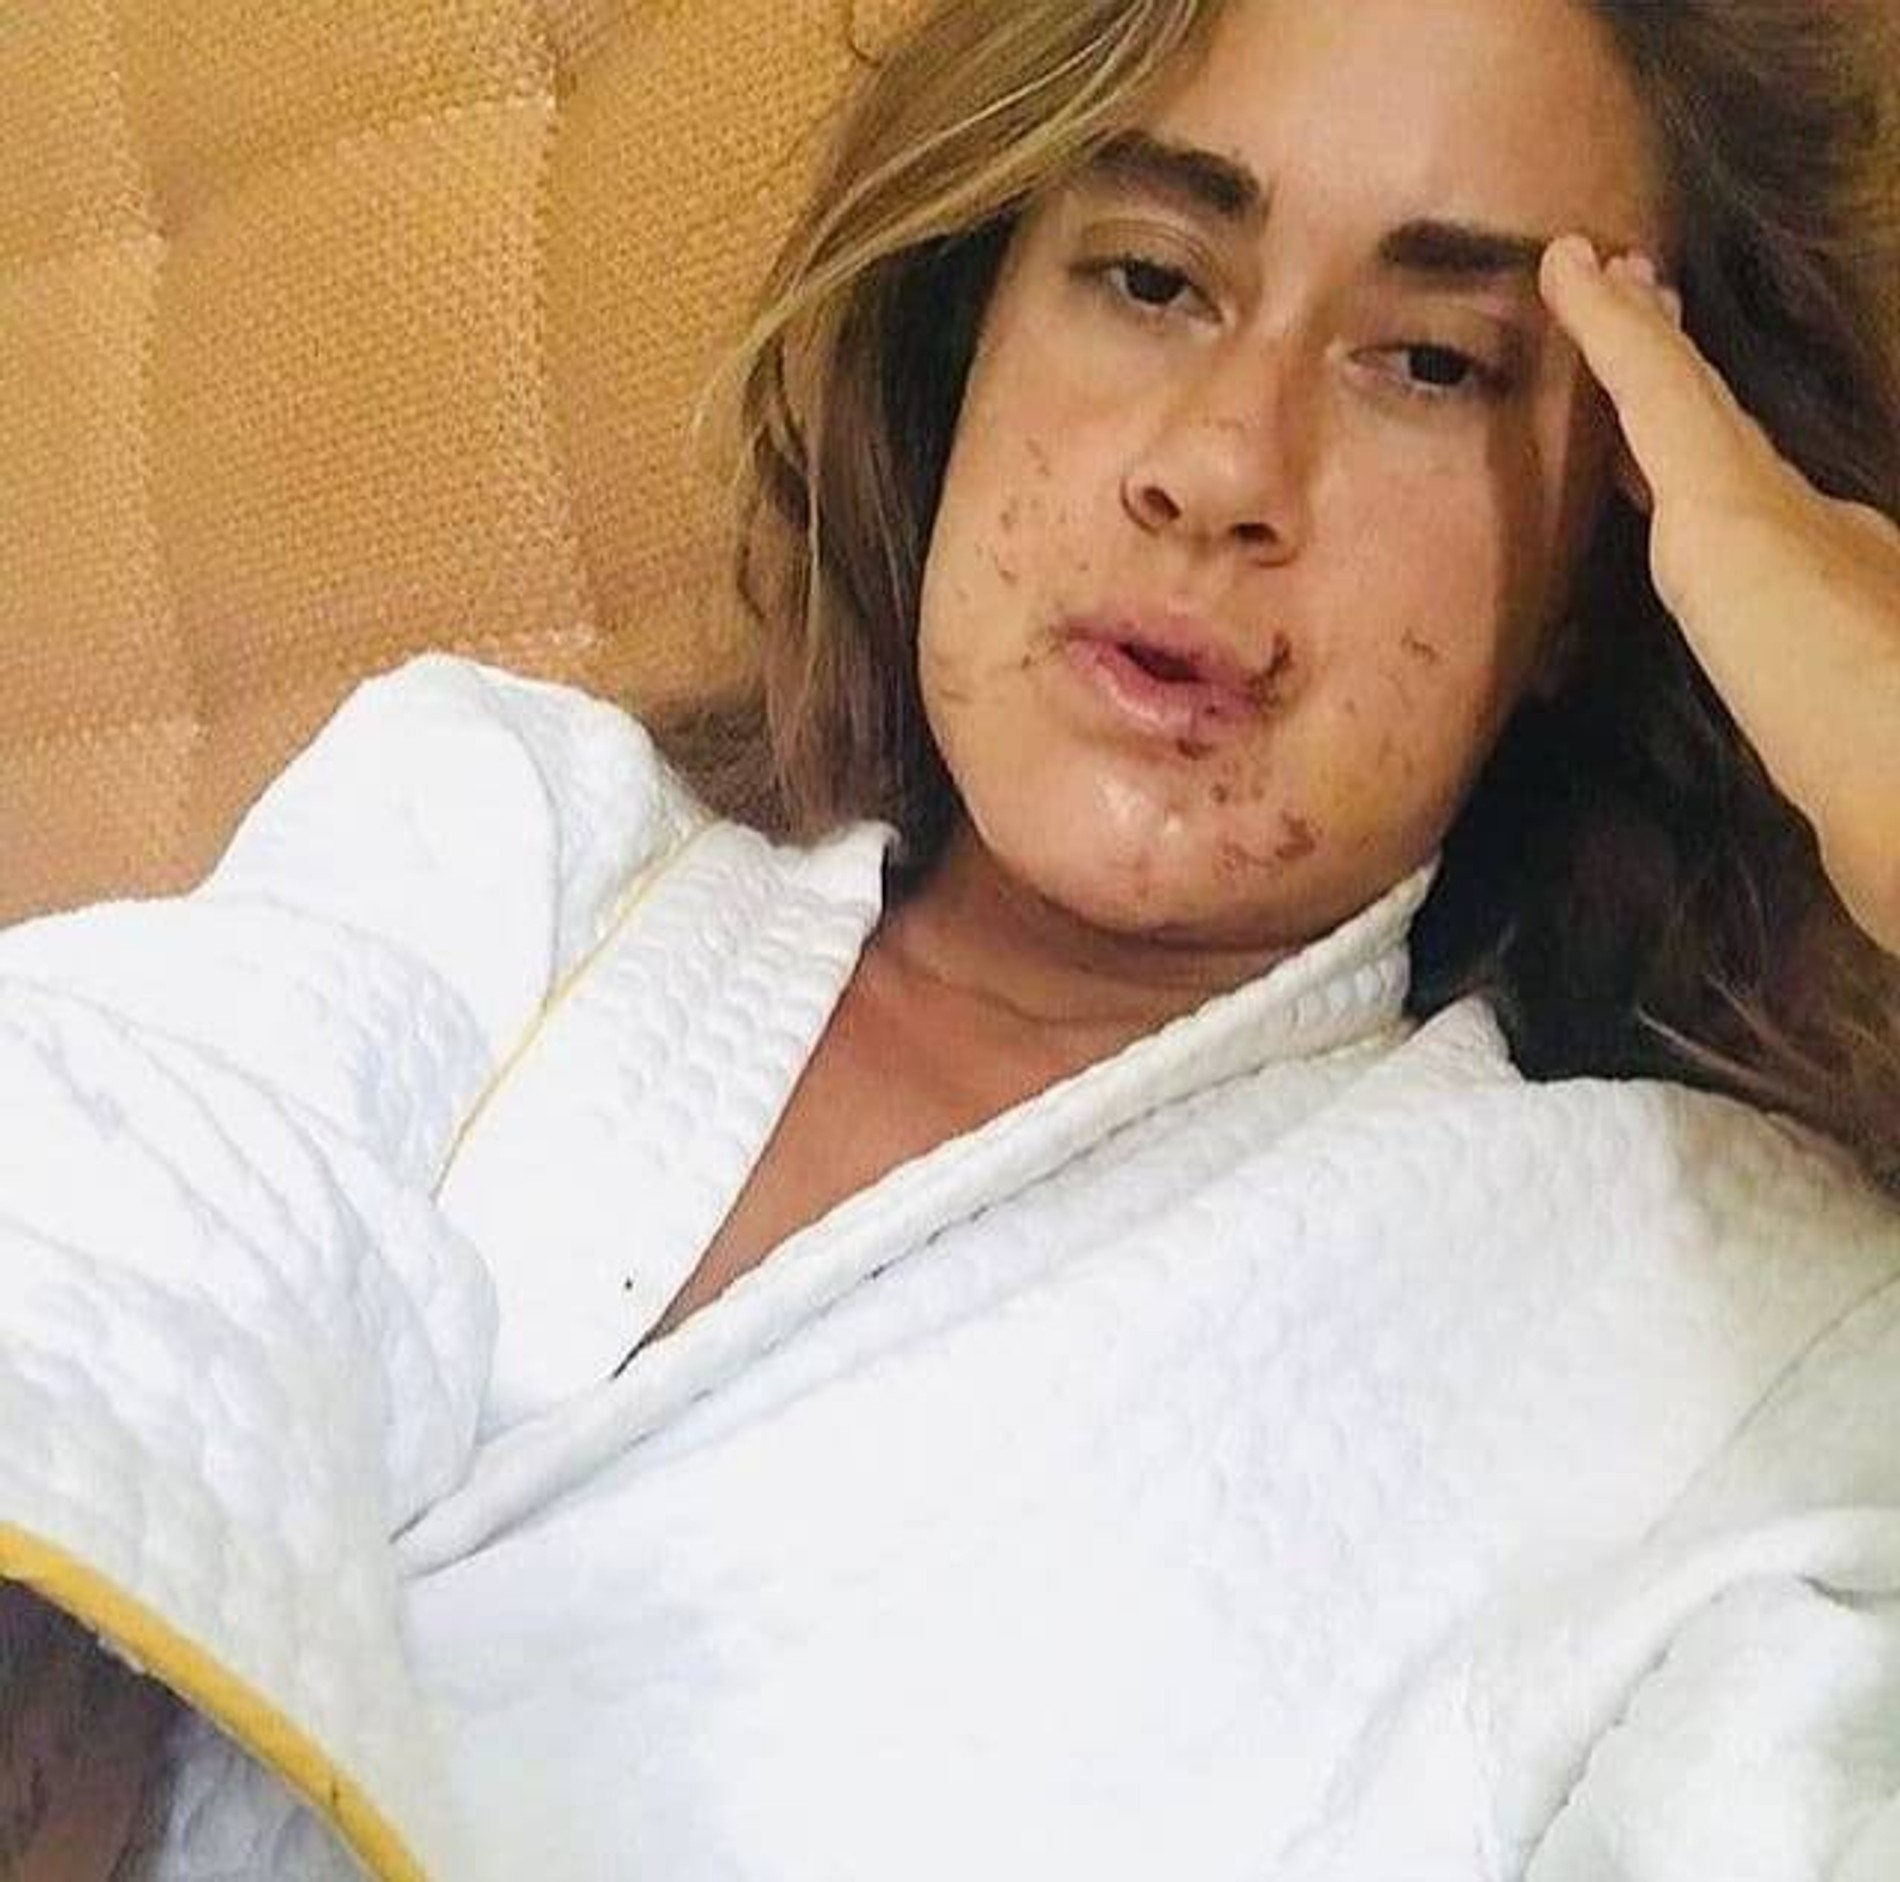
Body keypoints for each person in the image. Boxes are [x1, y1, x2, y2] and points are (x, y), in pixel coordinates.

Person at [4, 1, 1899, 1876]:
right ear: (966, 334)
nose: (1223, 468)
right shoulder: (502, 820)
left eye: (1429, 362)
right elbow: (89, 1214)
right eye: (1151, 278)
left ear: (1613, 567)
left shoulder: (1720, 1336)